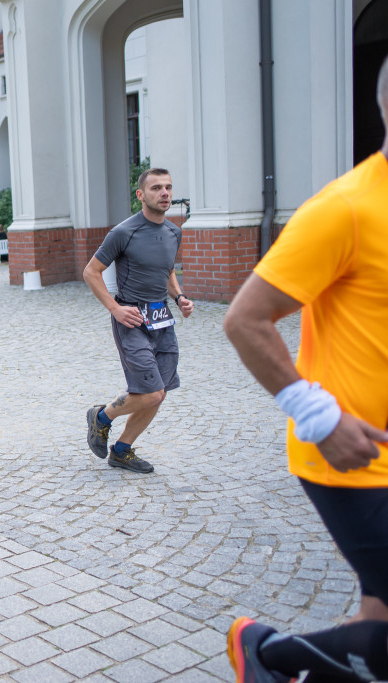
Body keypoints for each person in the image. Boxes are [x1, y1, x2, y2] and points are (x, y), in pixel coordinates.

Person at [223, 56, 388, 683]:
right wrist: (318, 416)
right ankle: (264, 651)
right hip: (350, 454)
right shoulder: (345, 209)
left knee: (377, 613)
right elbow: (244, 319)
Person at [82, 168, 193, 474]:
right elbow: (91, 272)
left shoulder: (174, 231)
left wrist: (179, 297)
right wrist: (115, 309)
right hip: (131, 319)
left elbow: (167, 270)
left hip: (162, 320)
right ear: (141, 195)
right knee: (151, 392)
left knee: (160, 392)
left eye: (169, 187)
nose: (165, 193)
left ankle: (121, 450)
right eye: (157, 188)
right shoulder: (123, 232)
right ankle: (101, 417)